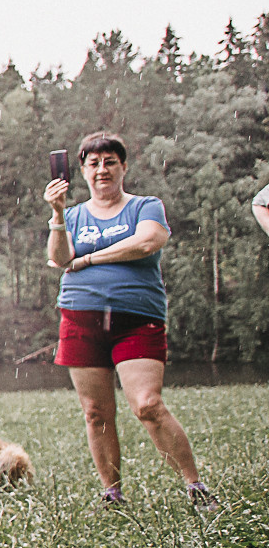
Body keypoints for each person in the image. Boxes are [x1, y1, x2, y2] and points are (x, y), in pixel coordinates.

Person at [46, 131, 213, 508]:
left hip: (137, 318)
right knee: (95, 412)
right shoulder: (73, 215)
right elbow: (59, 258)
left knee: (147, 404)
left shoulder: (145, 206)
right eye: (93, 163)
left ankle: (195, 486)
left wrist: (88, 259)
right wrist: (57, 213)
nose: (102, 170)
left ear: (123, 167)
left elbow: (146, 242)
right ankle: (113, 493)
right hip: (81, 318)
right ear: (83, 172)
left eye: (110, 162)